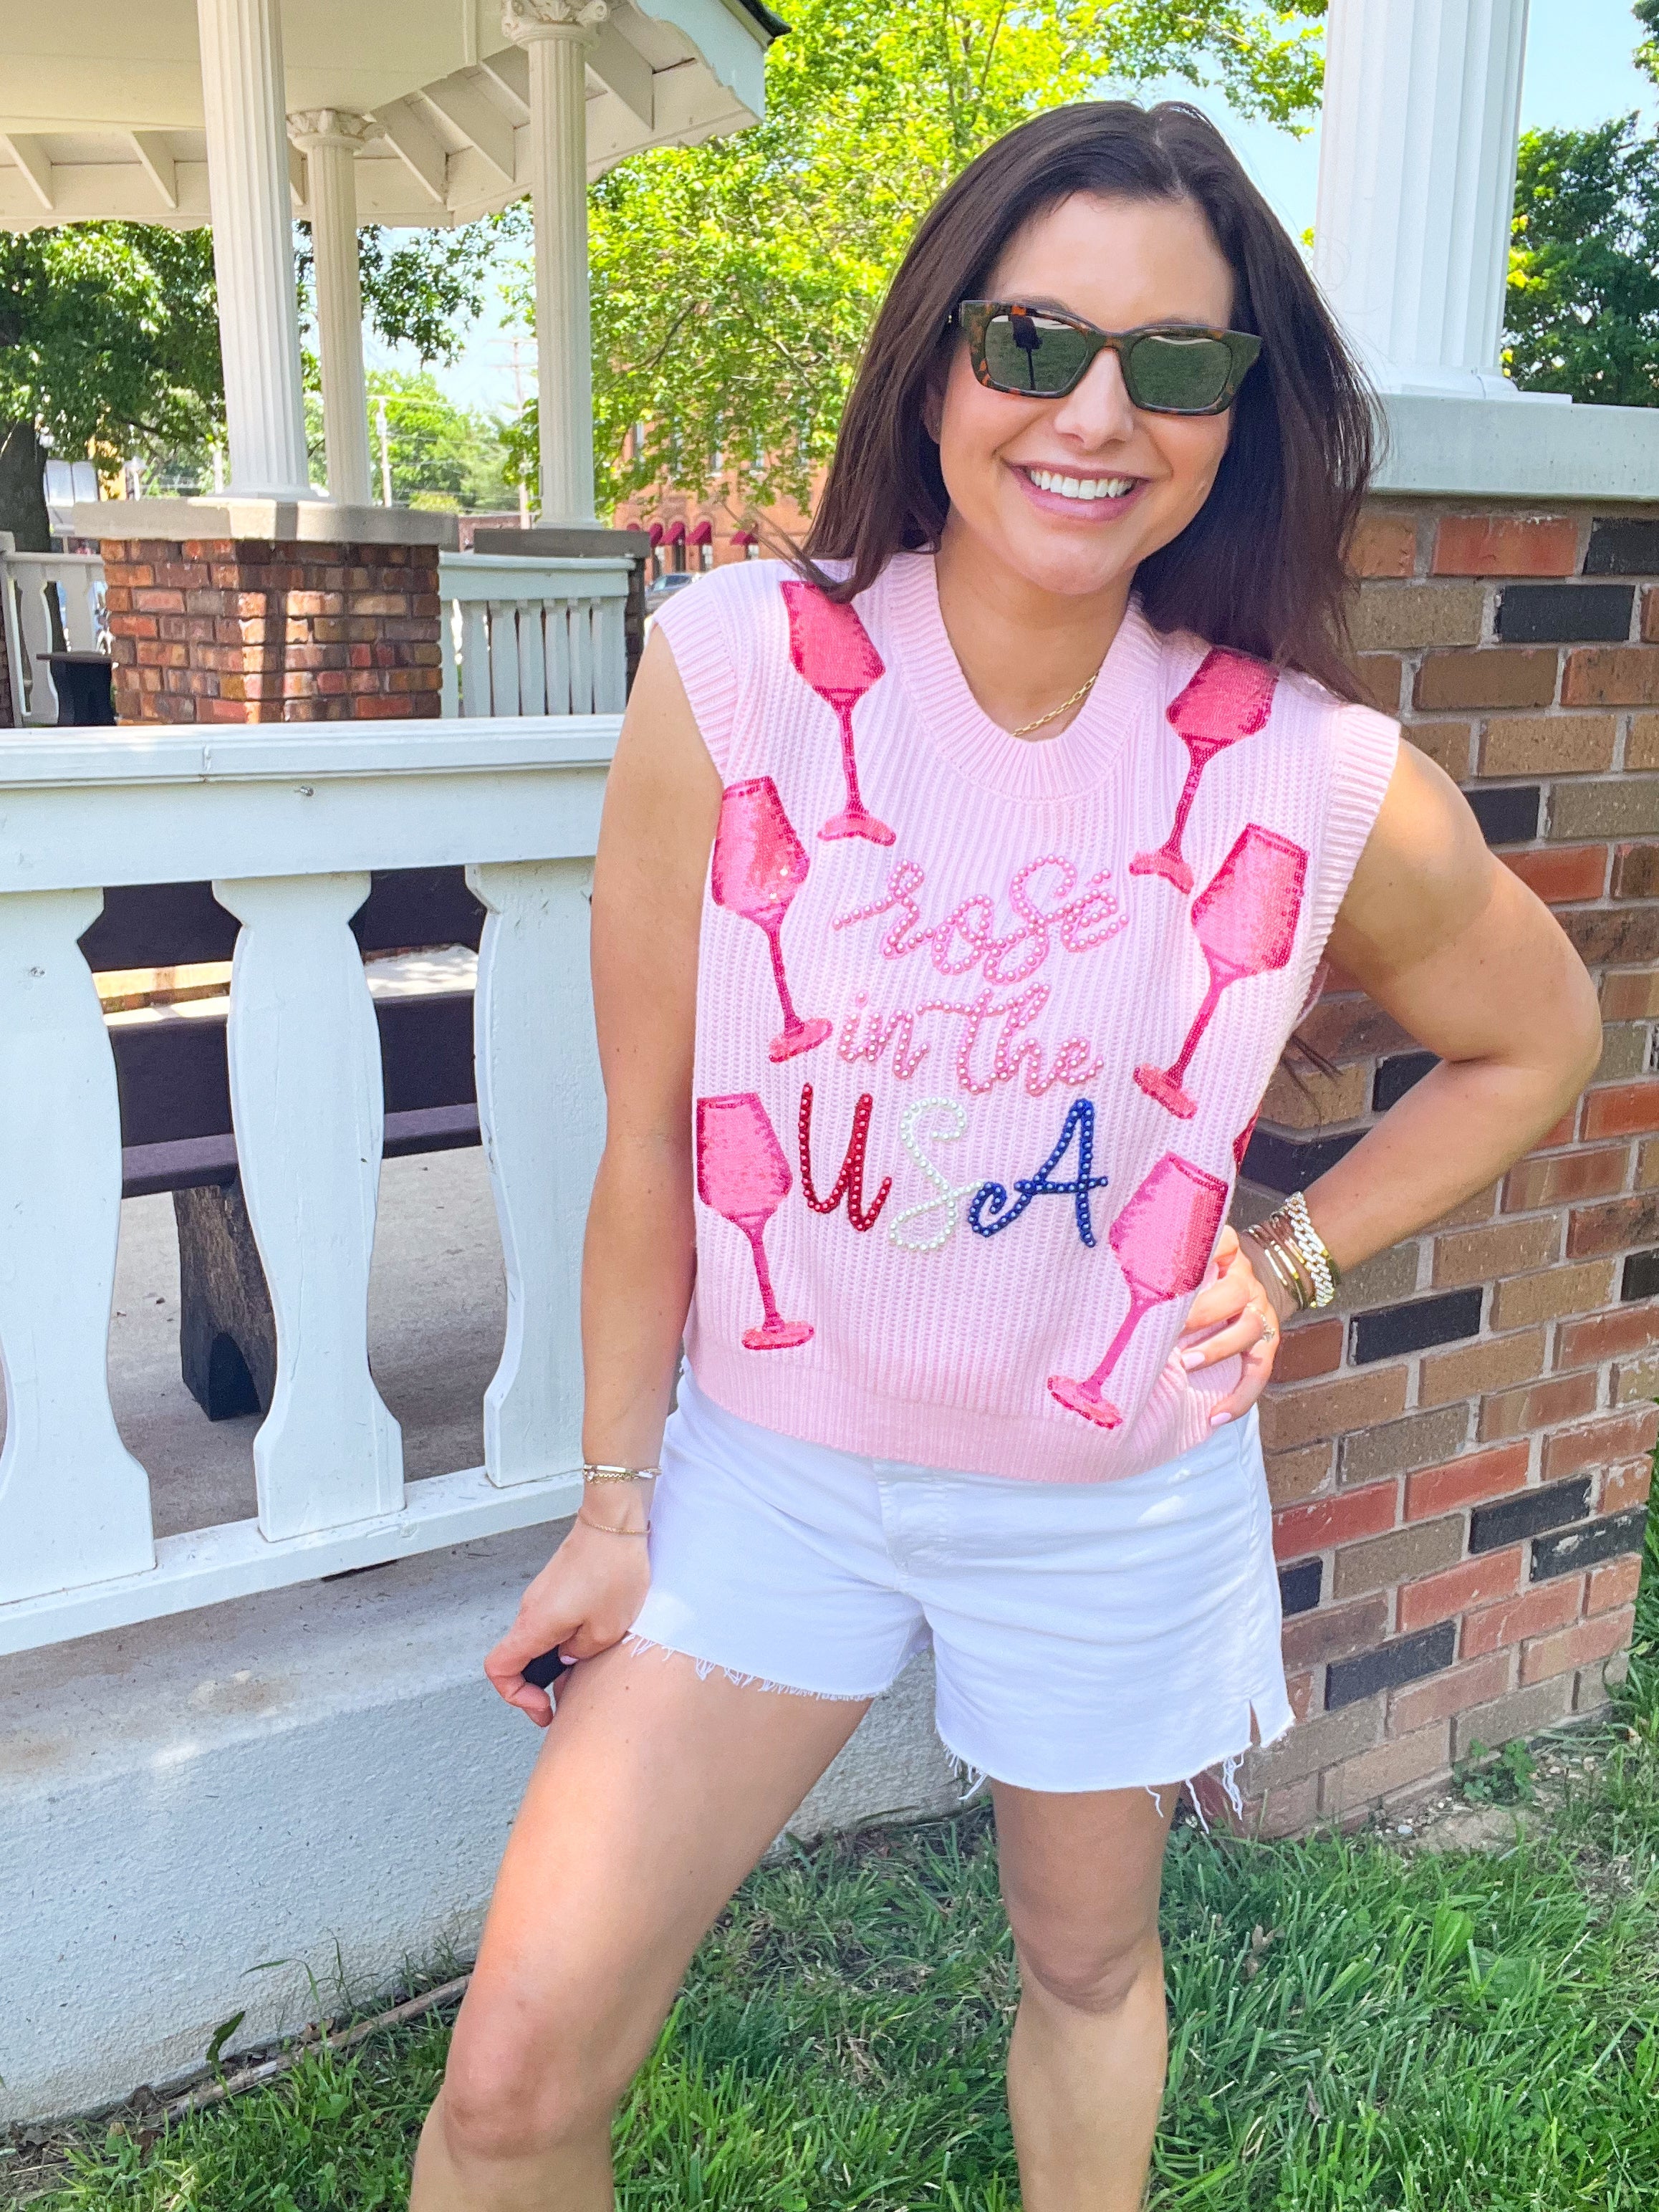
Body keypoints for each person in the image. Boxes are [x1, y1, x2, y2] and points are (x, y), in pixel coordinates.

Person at [410, 101, 1600, 2212]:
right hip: (774, 1482)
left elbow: (1540, 1037)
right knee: (511, 2077)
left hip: (1108, 1507)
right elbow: (653, 1139)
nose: (1096, 414)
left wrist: (1295, 1259)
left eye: (1178, 361)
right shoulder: (740, 677)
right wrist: (612, 1502)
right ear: (938, 363)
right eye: (1033, 341)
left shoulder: (1308, 775)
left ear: (1240, 413)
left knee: (1085, 1963)